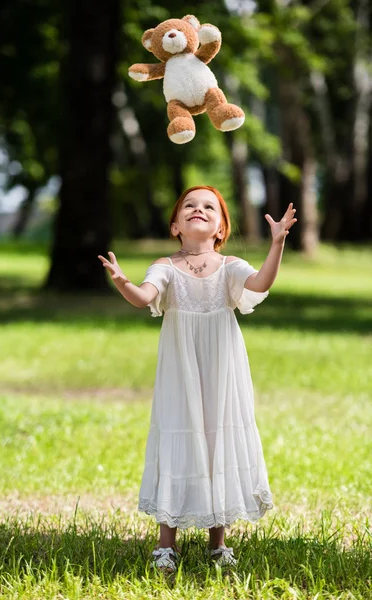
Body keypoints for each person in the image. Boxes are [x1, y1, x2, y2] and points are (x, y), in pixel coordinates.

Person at [98, 185, 297, 572]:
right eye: (189, 205)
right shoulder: (166, 267)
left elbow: (260, 285)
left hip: (222, 367)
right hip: (181, 369)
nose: (198, 209)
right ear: (176, 225)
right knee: (180, 433)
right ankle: (165, 545)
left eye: (209, 207)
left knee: (216, 435)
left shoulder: (231, 266)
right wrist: (122, 280)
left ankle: (217, 543)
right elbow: (144, 297)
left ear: (221, 229)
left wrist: (277, 244)